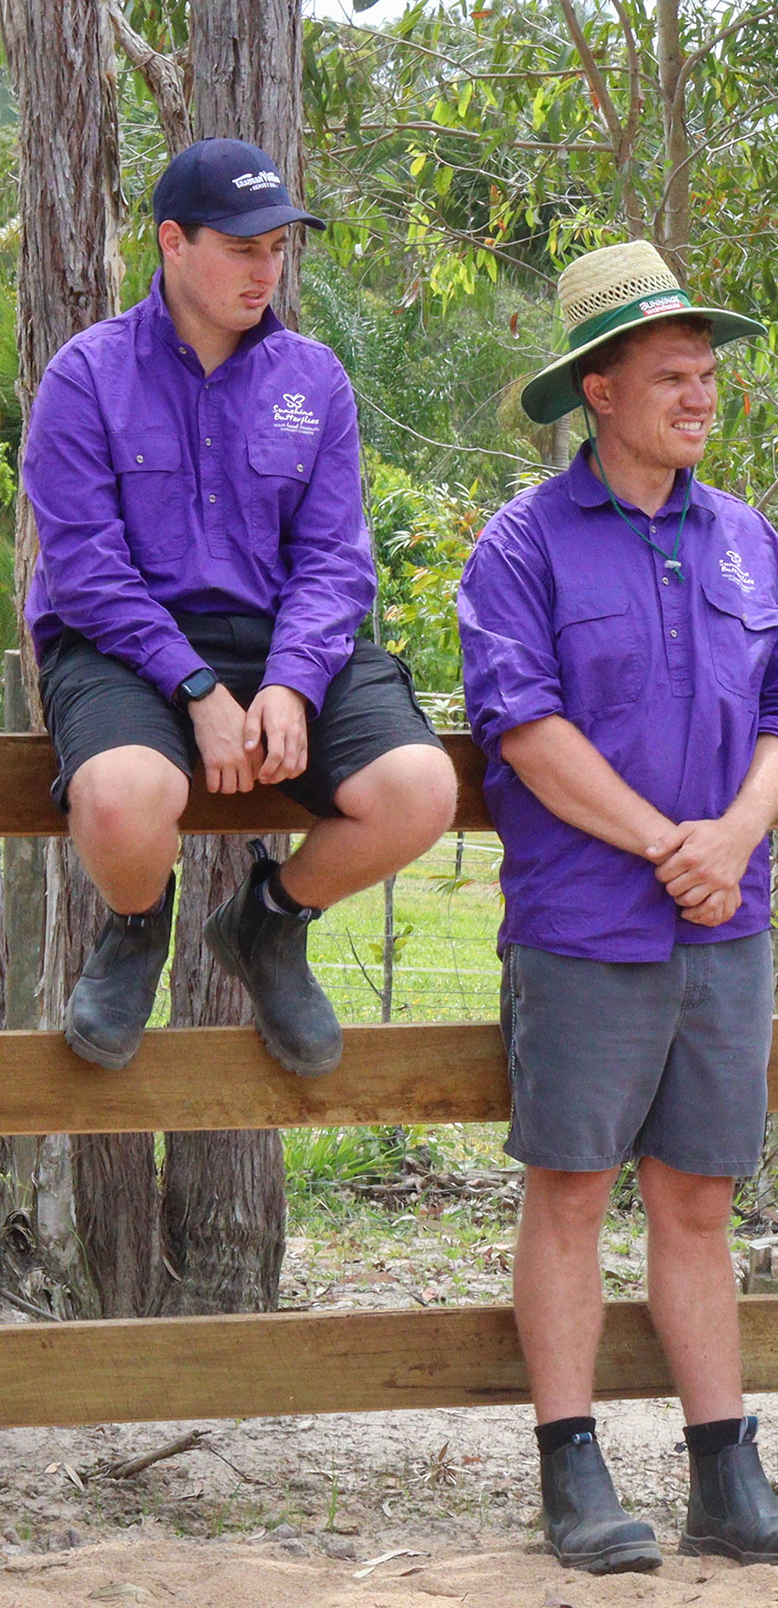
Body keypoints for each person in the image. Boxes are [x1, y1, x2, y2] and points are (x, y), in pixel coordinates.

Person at [454, 242, 778, 1577]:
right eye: (669, 371)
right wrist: (662, 842)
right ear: (598, 389)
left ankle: (724, 1480)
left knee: (696, 1200)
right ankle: (573, 1475)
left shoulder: (748, 540)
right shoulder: (521, 547)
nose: (698, 390)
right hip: (584, 923)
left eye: (706, 369)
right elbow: (523, 727)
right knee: (568, 1191)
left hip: (721, 924)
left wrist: (728, 839)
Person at [25, 138, 457, 1076]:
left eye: (279, 248)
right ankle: (138, 927)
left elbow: (337, 562)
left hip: (287, 642)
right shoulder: (85, 376)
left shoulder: (315, 379)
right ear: (172, 242)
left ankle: (268, 923)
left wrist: (295, 683)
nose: (267, 270)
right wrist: (194, 689)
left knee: (420, 789)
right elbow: (86, 572)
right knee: (121, 799)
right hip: (124, 645)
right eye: (242, 247)